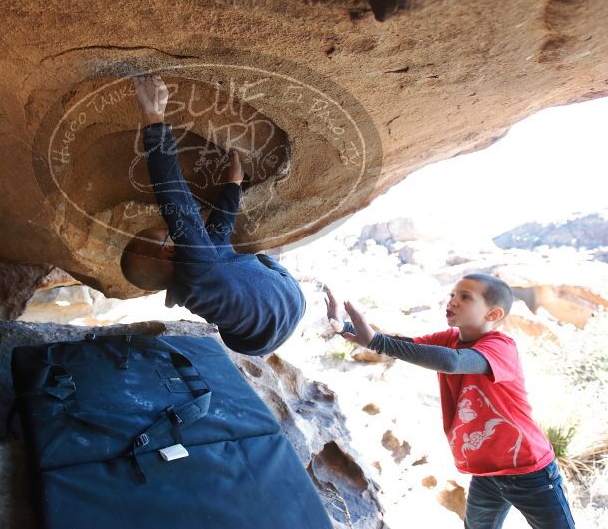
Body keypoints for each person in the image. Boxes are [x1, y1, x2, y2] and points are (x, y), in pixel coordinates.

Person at [327, 274, 575, 528]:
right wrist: (345, 328)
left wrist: (376, 341)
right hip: (486, 473)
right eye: (453, 295)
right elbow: (405, 346)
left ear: (493, 314)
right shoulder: (449, 339)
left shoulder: (500, 346)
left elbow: (452, 362)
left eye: (465, 297)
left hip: (529, 471)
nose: (453, 301)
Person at [120, 74, 306, 356]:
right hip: (292, 300)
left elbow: (217, 235)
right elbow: (173, 196)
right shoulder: (197, 265)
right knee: (262, 258)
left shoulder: (190, 287)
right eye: (169, 235)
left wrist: (232, 186)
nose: (174, 231)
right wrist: (152, 116)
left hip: (258, 344)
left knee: (231, 325)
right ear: (168, 253)